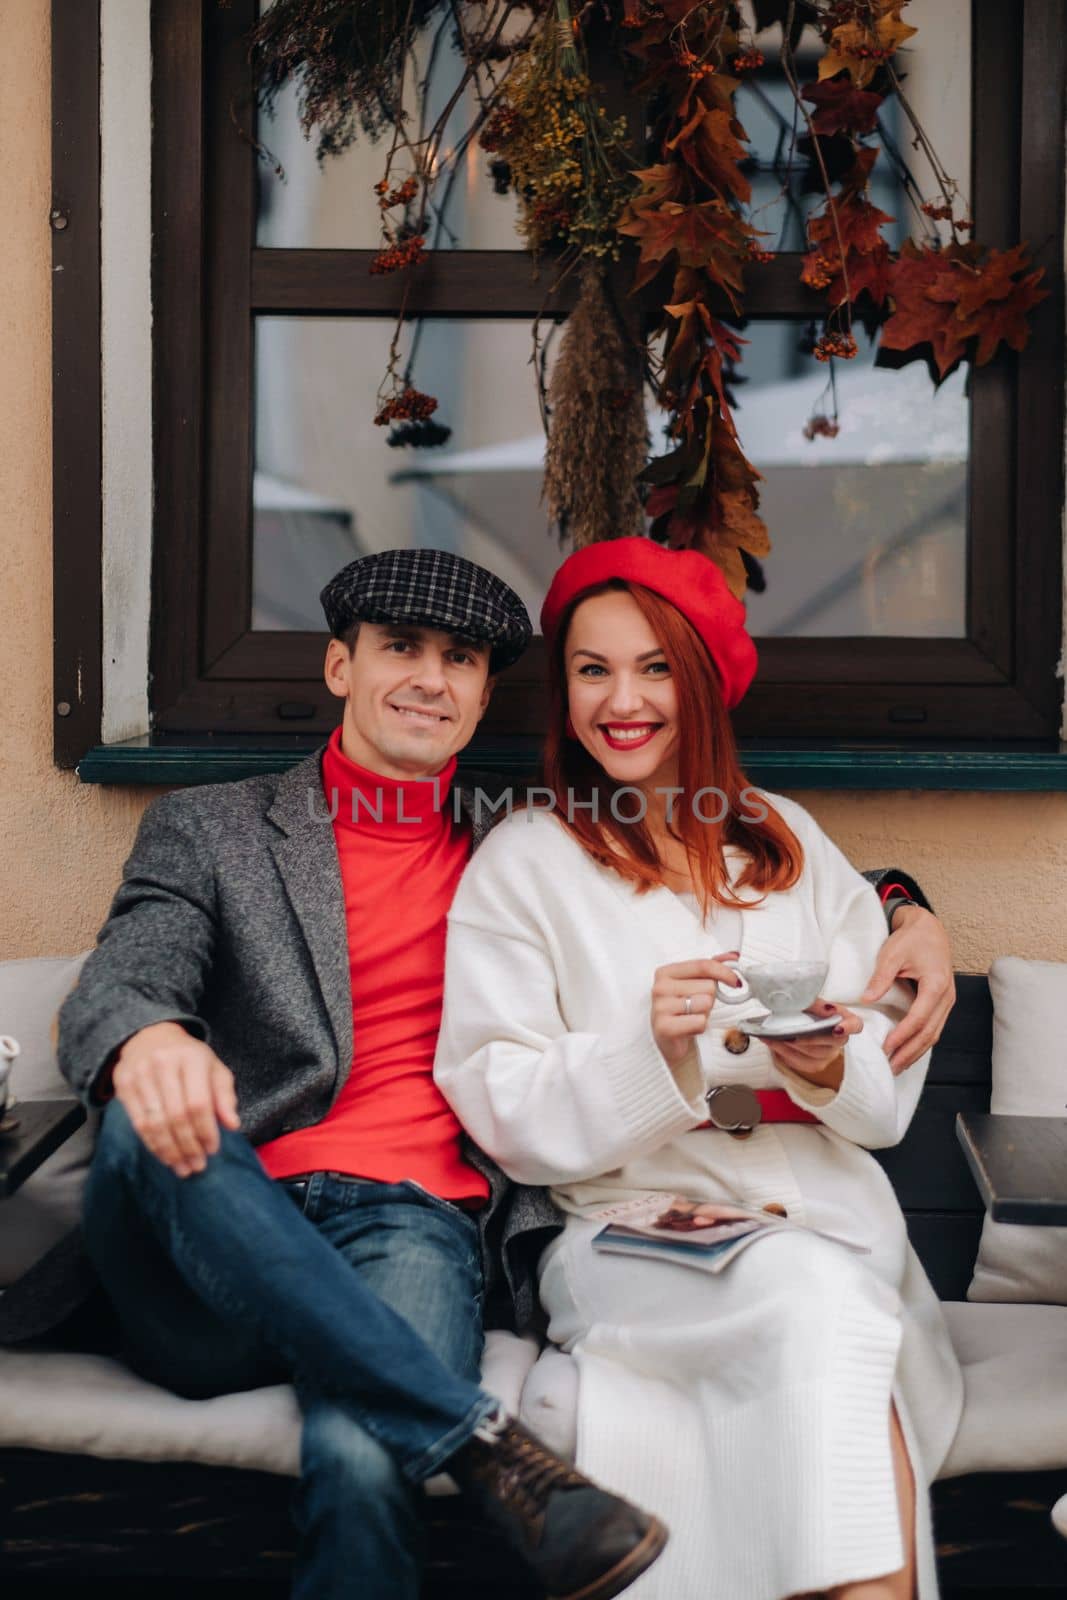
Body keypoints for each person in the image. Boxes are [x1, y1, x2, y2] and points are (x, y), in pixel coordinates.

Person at [56, 549, 669, 1600]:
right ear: (339, 666)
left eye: (460, 659)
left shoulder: (526, 844)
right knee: (138, 1115)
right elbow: (126, 974)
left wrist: (897, 903)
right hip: (214, 1228)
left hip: (411, 1224)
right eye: (400, 648)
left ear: (482, 696)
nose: (429, 677)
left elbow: (734, 856)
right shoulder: (211, 828)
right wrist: (144, 1038)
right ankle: (476, 1444)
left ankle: (434, 1432)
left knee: (357, 1454)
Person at [434, 538, 965, 1600]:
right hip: (631, 1238)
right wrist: (651, 1051)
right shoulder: (526, 861)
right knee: (818, 1311)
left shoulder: (790, 843)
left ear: (706, 682)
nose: (619, 701)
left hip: (829, 1225)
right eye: (591, 669)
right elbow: (498, 1096)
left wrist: (825, 1063)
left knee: (827, 1311)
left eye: (653, 667)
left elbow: (885, 1100)